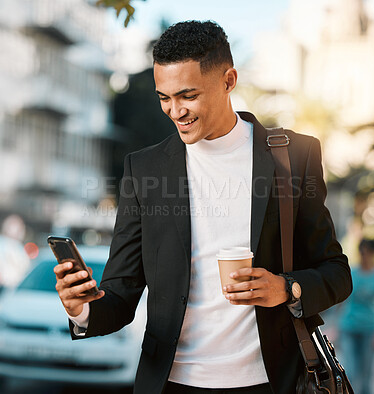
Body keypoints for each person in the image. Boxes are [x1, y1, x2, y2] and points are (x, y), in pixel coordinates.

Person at [54, 21, 352, 394]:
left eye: (187, 96)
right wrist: (80, 307)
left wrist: (286, 288)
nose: (175, 111)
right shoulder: (144, 170)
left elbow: (337, 273)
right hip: (172, 383)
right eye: (164, 98)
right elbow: (121, 293)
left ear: (228, 80)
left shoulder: (293, 157)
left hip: (271, 382)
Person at [338, 239, 374, 394]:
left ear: (373, 253)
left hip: (369, 329)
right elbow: (342, 302)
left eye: (367, 252)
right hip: (349, 328)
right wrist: (335, 325)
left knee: (366, 376)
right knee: (351, 372)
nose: (364, 255)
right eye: (361, 252)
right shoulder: (352, 273)